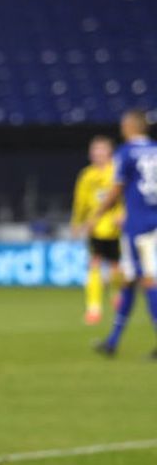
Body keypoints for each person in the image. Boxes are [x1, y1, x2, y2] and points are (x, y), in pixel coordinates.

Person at [88, 110, 157, 358]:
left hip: (138, 226)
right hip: (154, 221)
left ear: (130, 126)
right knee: (128, 280)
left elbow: (117, 189)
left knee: (148, 281)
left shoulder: (127, 153)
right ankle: (112, 342)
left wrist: (97, 214)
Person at [71, 136, 124, 326]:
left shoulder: (117, 171)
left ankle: (116, 294)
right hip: (95, 227)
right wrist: (77, 222)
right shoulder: (87, 175)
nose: (98, 153)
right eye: (95, 149)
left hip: (115, 228)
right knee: (94, 264)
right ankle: (94, 309)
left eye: (102, 149)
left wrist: (123, 215)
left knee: (116, 267)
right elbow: (80, 201)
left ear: (110, 151)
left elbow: (125, 197)